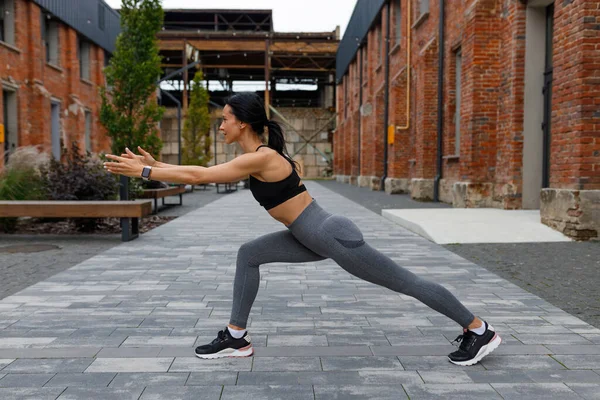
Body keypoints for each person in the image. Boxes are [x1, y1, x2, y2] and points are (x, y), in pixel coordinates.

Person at [103, 92, 501, 366]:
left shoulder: (262, 157)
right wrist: (156, 166)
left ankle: (478, 329)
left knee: (404, 281)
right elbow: (200, 171)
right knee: (249, 254)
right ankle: (236, 337)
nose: (220, 125)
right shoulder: (258, 155)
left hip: (329, 233)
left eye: (224, 119)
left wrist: (148, 170)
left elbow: (202, 175)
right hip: (306, 235)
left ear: (242, 123)